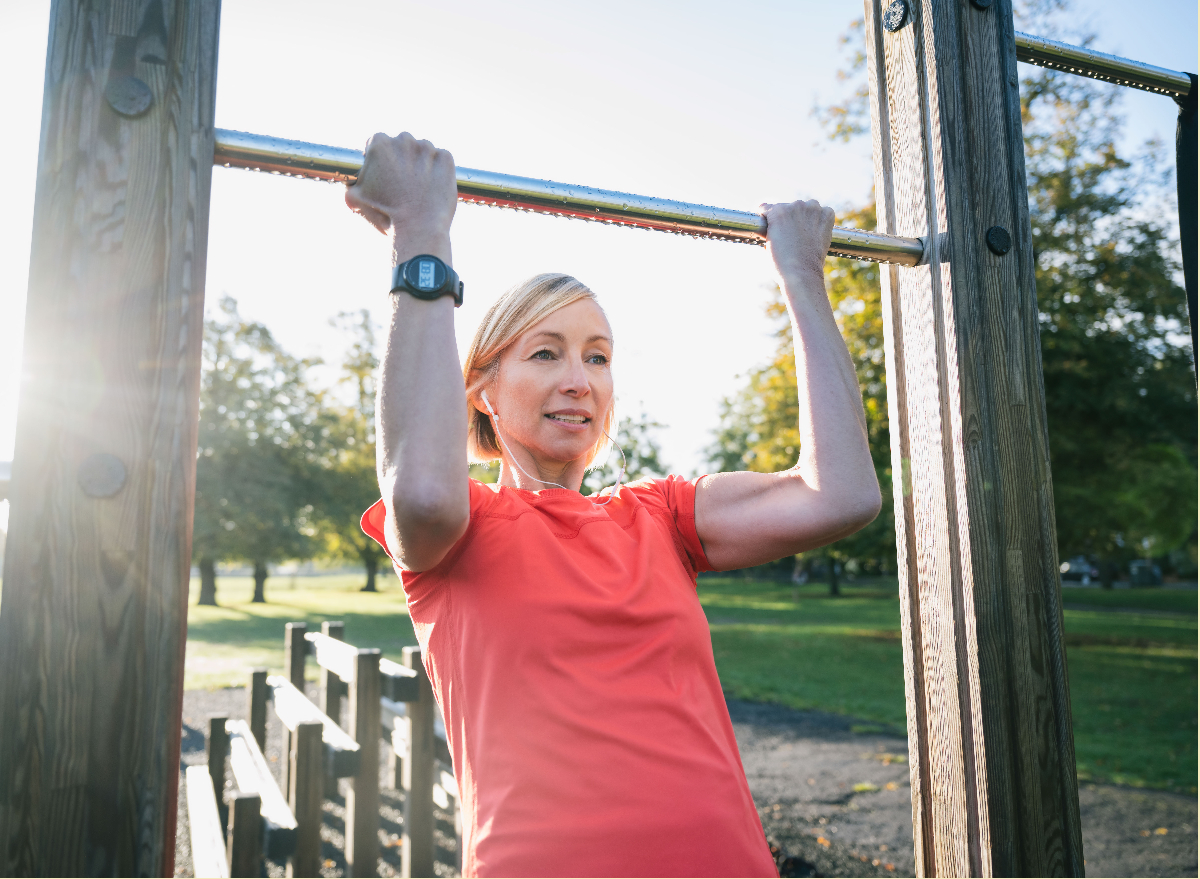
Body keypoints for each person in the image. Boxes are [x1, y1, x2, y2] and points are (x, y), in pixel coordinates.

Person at [348, 132, 882, 878]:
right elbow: (424, 488)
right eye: (545, 352)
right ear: (481, 390)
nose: (580, 379)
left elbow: (843, 493)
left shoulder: (660, 516)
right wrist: (422, 236)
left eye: (597, 356)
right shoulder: (456, 532)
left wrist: (800, 275)